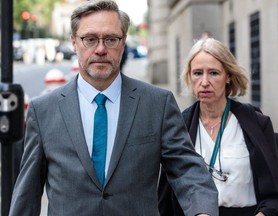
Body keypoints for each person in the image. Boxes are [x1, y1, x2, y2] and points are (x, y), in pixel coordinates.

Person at [9, 1, 218, 215]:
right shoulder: (43, 110)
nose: (100, 49)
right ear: (74, 42)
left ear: (123, 41)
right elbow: (28, 193)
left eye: (111, 39)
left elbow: (187, 170)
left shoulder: (157, 104)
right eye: (90, 39)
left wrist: (202, 211)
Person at [158, 38, 278, 216]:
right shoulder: (179, 126)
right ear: (189, 76)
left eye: (213, 73)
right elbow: (165, 197)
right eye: (197, 73)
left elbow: (276, 196)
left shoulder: (257, 123)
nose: (204, 82)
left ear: (228, 76)